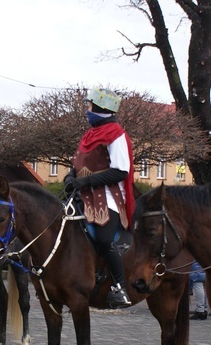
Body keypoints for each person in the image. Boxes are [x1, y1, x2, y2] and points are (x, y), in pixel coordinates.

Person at [63, 87, 135, 309]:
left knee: (104, 239)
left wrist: (85, 182)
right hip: (83, 195)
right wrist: (69, 177)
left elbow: (120, 171)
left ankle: (119, 288)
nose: (87, 110)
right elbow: (78, 164)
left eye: (90, 106)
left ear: (101, 108)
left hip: (108, 198)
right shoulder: (89, 135)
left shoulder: (117, 135)